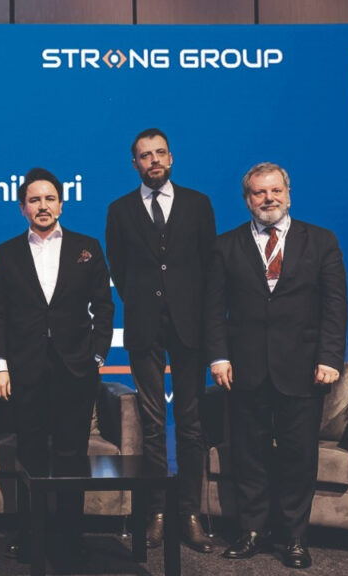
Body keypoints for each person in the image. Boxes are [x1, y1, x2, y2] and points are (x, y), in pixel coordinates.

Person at [204, 162, 347, 569]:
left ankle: (294, 537)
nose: (268, 199)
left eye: (275, 191)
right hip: (245, 369)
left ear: (288, 194)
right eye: (259, 192)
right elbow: (213, 308)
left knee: (299, 456)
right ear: (247, 199)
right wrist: (219, 356)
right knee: (247, 454)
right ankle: (251, 530)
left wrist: (329, 357)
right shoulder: (226, 245)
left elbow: (335, 305)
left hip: (303, 369)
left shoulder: (320, 241)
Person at [0, 168, 114, 560]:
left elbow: (105, 306)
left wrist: (97, 355)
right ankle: (31, 536)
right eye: (34, 200)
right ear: (23, 207)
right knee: (30, 453)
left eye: (49, 199)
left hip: (76, 369)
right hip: (24, 370)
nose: (42, 206)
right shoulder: (7, 252)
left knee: (72, 455)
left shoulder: (87, 247)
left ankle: (70, 538)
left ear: (61, 203)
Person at [105, 128, 217, 552]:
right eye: (145, 155)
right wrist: (145, 302)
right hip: (144, 327)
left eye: (159, 153)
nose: (153, 160)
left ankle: (188, 513)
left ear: (171, 158)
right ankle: (154, 512)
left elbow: (209, 266)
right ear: (134, 164)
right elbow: (119, 269)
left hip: (190, 328)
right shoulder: (119, 210)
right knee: (151, 425)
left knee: (191, 424)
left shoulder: (198, 204)